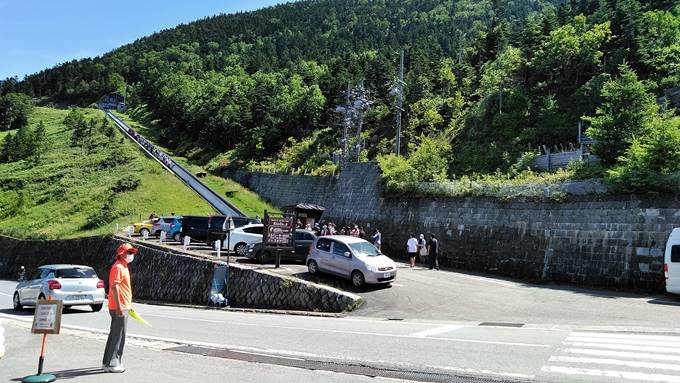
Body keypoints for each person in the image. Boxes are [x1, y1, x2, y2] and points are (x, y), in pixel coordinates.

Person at [102, 243, 137, 373]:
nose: (131, 255)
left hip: (123, 306)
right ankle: (112, 363)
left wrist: (127, 306)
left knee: (115, 335)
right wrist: (119, 306)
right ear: (121, 254)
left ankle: (107, 362)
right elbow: (114, 287)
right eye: (129, 252)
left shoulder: (124, 267)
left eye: (132, 253)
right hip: (119, 307)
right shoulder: (118, 267)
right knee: (119, 336)